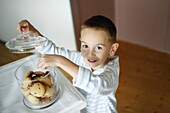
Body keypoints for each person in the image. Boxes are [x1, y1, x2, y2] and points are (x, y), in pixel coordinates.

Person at [17, 15, 120, 113]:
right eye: (85, 45)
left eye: (98, 47)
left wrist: (60, 61)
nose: (90, 53)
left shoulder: (111, 71)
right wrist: (33, 33)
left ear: (112, 49)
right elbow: (53, 51)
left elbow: (97, 86)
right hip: (82, 108)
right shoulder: (81, 58)